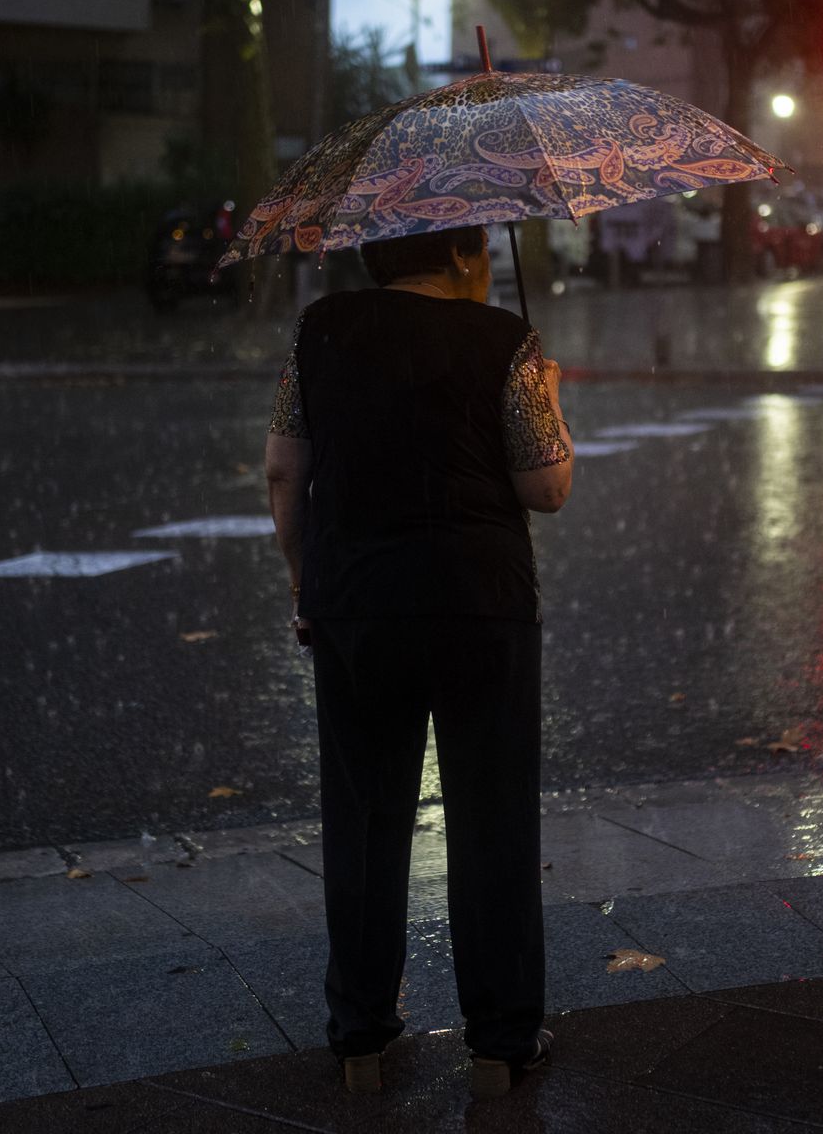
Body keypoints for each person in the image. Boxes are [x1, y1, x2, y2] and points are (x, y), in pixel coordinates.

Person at [263, 223, 574, 1096]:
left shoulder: (320, 333)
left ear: (376, 258)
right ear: (468, 259)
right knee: (493, 819)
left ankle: (360, 1037)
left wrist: (305, 585)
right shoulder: (504, 341)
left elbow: (285, 472)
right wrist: (548, 396)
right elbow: (545, 487)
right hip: (478, 604)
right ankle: (501, 1043)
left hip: (356, 604)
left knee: (364, 818)